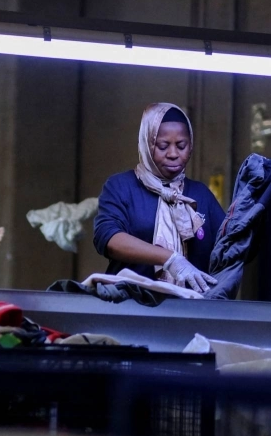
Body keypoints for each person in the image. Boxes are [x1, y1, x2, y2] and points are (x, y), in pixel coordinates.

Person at [93, 103, 226, 293]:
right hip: (132, 307)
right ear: (147, 144)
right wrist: (170, 258)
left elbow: (229, 248)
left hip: (190, 312)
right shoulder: (122, 186)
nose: (173, 154)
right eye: (163, 146)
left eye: (181, 146)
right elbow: (109, 239)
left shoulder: (200, 194)